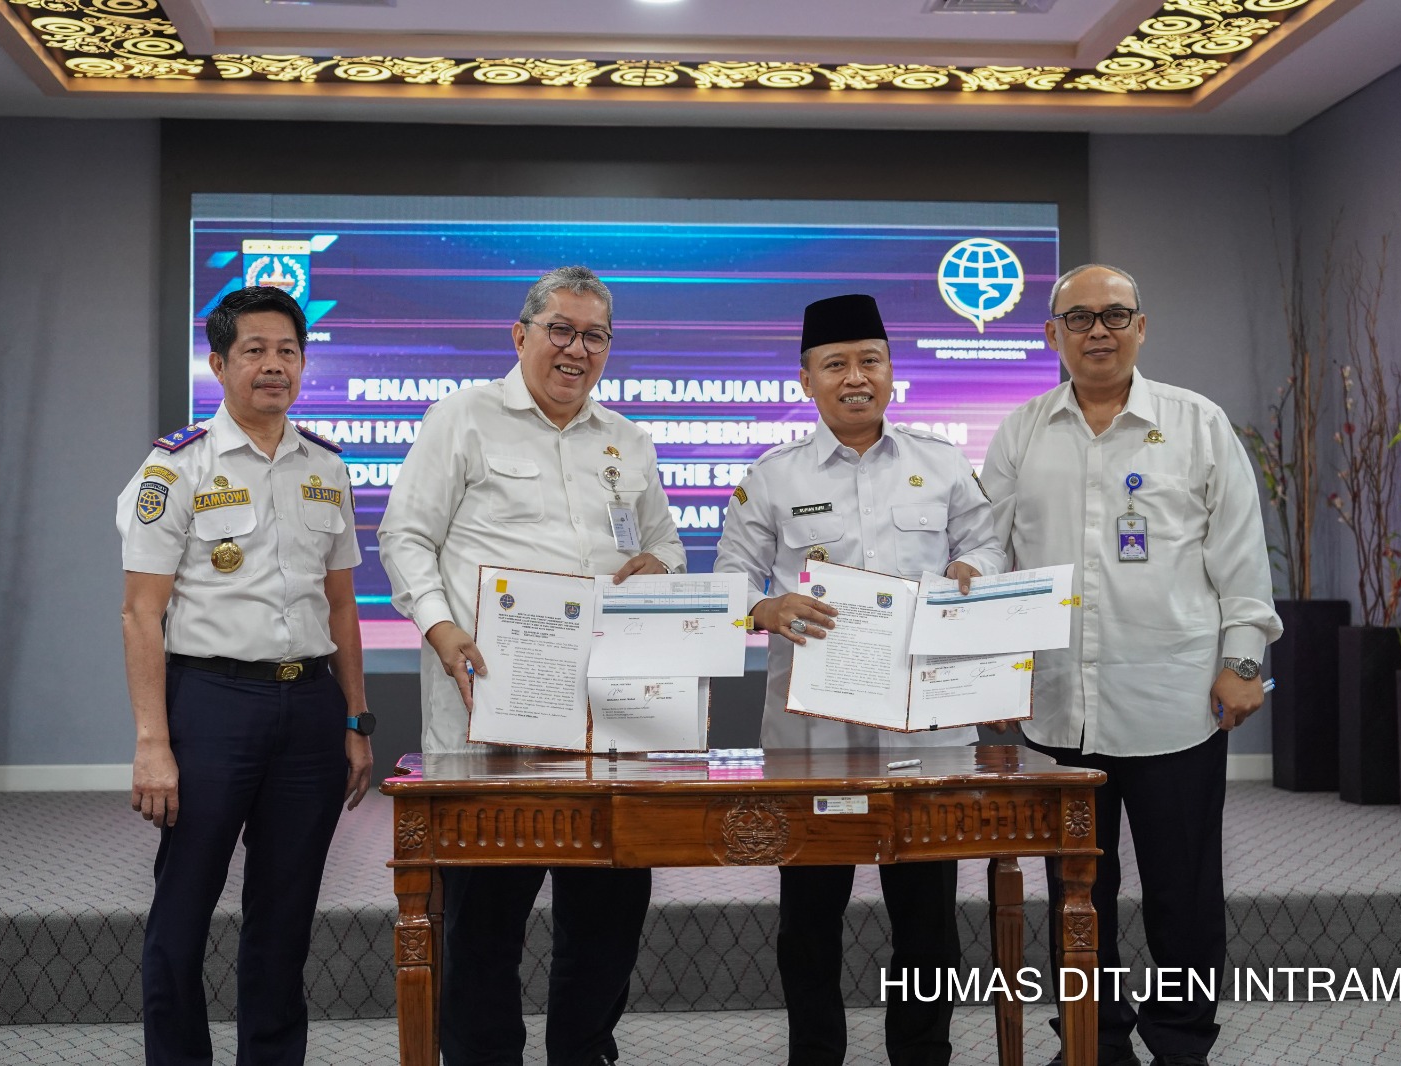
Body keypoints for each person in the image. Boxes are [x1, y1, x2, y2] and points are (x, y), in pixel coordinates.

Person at [377, 265, 686, 1066]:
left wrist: (659, 566)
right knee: (484, 925)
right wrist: (440, 627)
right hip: (492, 728)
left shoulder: (629, 441)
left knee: (609, 915)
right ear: (520, 336)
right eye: (561, 330)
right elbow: (404, 535)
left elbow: (667, 546)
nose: (576, 349)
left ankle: (584, 1055)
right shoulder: (462, 419)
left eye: (595, 336)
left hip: (607, 729)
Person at [980, 264, 1282, 1066]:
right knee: (1077, 892)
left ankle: (1182, 1043)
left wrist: (1243, 659)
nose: (1098, 331)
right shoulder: (1020, 433)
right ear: (1052, 335)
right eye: (1079, 318)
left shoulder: (1196, 424)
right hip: (1058, 710)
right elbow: (989, 556)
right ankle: (1094, 1040)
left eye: (1115, 315)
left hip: (1174, 703)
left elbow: (1241, 553)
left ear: (1141, 327)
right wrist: (989, 669)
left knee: (1183, 890)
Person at [713, 293, 1004, 1066]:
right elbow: (728, 578)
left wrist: (972, 569)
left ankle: (922, 1054)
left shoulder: (941, 463)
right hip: (814, 739)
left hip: (926, 734)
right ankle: (815, 1055)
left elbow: (988, 544)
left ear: (891, 371)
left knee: (928, 919)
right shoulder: (772, 477)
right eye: (836, 364)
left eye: (870, 360)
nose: (855, 377)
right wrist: (765, 606)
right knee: (810, 916)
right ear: (806, 379)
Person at [117, 285, 375, 1066]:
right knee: (182, 914)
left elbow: (342, 606)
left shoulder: (327, 466)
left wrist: (356, 719)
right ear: (219, 363)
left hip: (310, 709)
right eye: (255, 351)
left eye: (287, 351)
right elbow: (140, 614)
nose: (273, 365)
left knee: (285, 918)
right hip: (211, 705)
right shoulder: (176, 467)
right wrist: (152, 743)